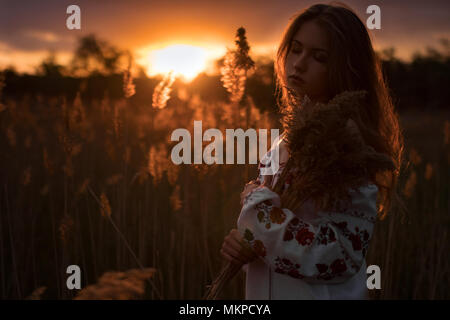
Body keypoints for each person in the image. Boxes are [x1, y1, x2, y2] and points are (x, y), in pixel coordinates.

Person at [220, 3, 404, 299]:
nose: (299, 64)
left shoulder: (347, 145)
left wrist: (257, 220)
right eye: (295, 49)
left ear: (347, 68)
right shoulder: (289, 138)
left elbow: (342, 254)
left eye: (319, 57)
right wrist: (249, 244)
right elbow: (276, 231)